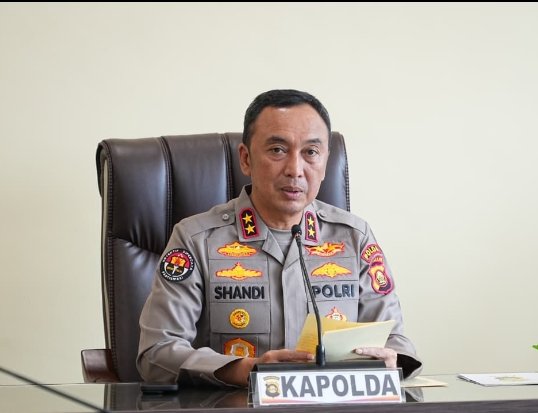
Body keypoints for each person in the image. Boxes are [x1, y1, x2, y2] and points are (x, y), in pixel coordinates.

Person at [137, 89, 422, 387]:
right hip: (234, 405)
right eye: (277, 150)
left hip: (333, 404)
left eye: (311, 152)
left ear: (325, 162)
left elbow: (395, 340)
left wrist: (391, 361)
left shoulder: (354, 237)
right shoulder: (196, 239)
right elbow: (156, 354)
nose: (295, 170)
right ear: (246, 159)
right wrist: (245, 370)